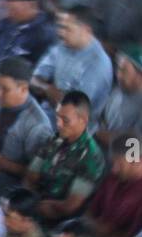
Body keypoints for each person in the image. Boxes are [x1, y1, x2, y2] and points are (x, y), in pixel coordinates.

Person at [0, 56, 55, 198]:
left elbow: (37, 176)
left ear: (23, 89)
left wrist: (4, 164)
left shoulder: (38, 125)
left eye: (5, 89)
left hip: (8, 188)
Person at [24, 91, 106, 223]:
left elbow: (71, 205)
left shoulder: (91, 155)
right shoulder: (56, 139)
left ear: (83, 120)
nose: (59, 124)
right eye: (57, 117)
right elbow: (31, 175)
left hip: (60, 219)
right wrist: (29, 200)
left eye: (65, 120)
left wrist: (45, 206)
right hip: (36, 202)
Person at [31, 5, 113, 115]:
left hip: (76, 127)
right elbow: (33, 79)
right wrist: (48, 89)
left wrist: (50, 92)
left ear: (86, 30)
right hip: (48, 113)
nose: (60, 33)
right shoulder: (62, 47)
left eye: (67, 28)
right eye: (60, 27)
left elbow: (76, 108)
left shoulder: (99, 62)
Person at [0, 0, 57, 69]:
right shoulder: (5, 23)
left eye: (12, 8)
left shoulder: (45, 34)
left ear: (28, 4)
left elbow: (40, 70)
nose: (5, 7)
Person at [98, 45, 142, 145]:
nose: (118, 74)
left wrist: (95, 133)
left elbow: (132, 146)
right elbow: (103, 119)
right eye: (118, 69)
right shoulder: (117, 90)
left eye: (124, 71)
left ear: (140, 74)